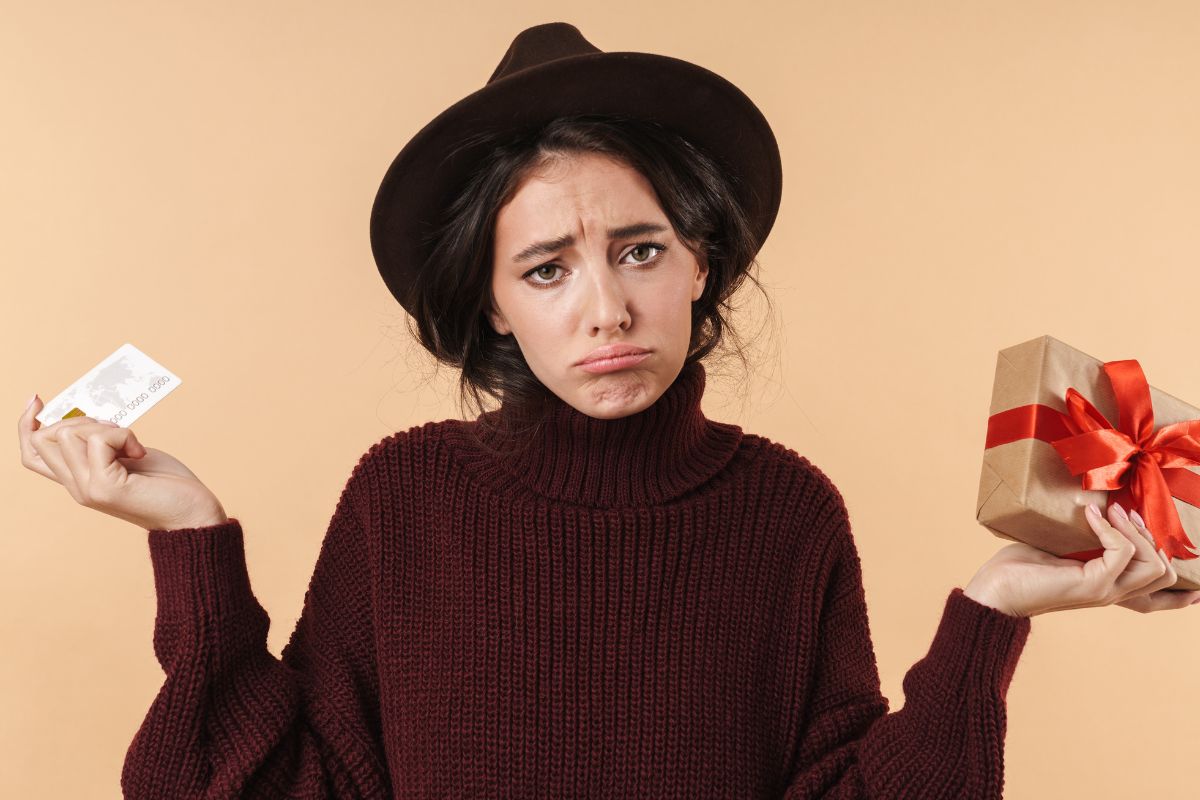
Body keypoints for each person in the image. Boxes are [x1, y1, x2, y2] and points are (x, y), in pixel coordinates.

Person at [17, 21, 1200, 800]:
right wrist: (190, 537)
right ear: (490, 309)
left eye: (639, 249)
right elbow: (262, 785)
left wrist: (992, 609)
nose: (606, 307)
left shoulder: (788, 512)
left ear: (701, 265)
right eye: (546, 268)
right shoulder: (404, 496)